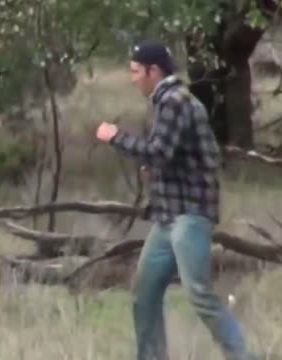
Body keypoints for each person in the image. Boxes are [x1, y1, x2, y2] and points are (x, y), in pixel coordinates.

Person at [95, 39, 257, 360]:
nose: (132, 78)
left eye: (135, 71)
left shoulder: (175, 102)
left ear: (153, 71)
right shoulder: (169, 100)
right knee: (144, 294)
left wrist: (116, 137)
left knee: (199, 295)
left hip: (190, 215)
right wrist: (155, 172)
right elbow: (176, 157)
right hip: (169, 217)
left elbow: (159, 152)